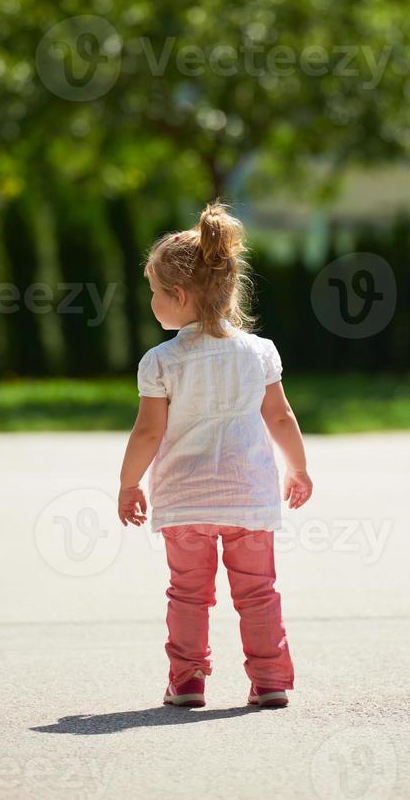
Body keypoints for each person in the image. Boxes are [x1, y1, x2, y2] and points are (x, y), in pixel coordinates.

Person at [117, 199, 313, 709]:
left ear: (178, 295)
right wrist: (298, 467)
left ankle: (187, 682)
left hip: (184, 504)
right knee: (258, 592)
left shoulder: (160, 361)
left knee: (187, 595)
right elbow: (280, 417)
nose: (153, 302)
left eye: (155, 294)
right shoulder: (260, 351)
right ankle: (270, 680)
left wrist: (128, 484)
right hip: (248, 500)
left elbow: (147, 433)